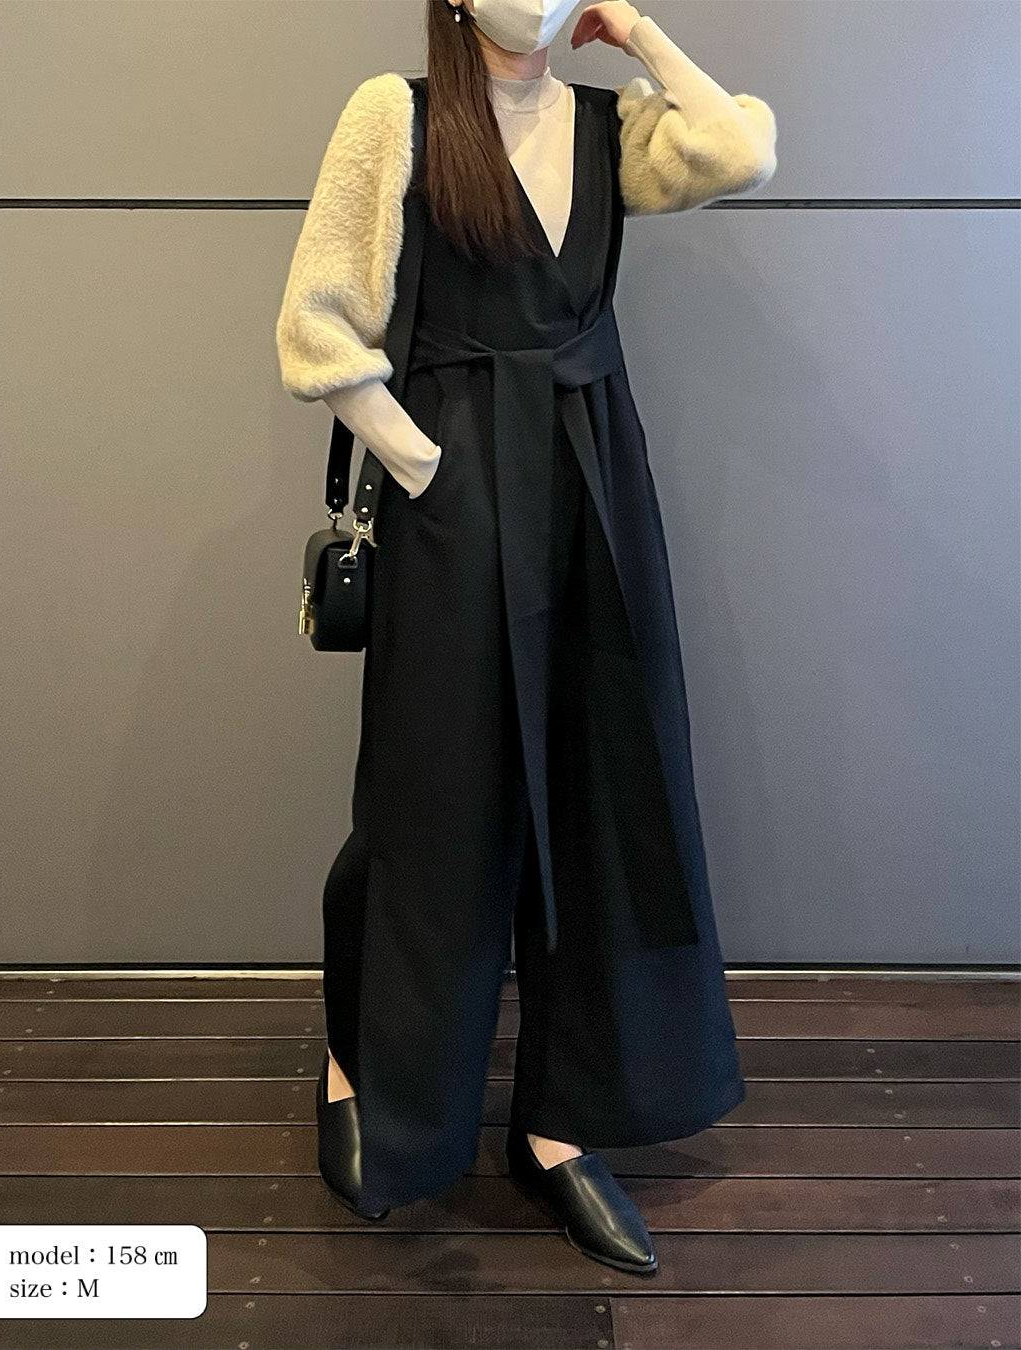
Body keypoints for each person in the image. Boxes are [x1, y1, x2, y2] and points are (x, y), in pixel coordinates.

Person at [276, 0, 777, 1274]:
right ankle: (367, 1075)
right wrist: (426, 469)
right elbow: (318, 323)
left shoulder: (611, 129)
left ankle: (563, 1124)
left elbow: (742, 152)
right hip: (460, 486)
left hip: (595, 478)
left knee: (609, 787)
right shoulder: (396, 116)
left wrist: (643, 35)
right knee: (434, 798)